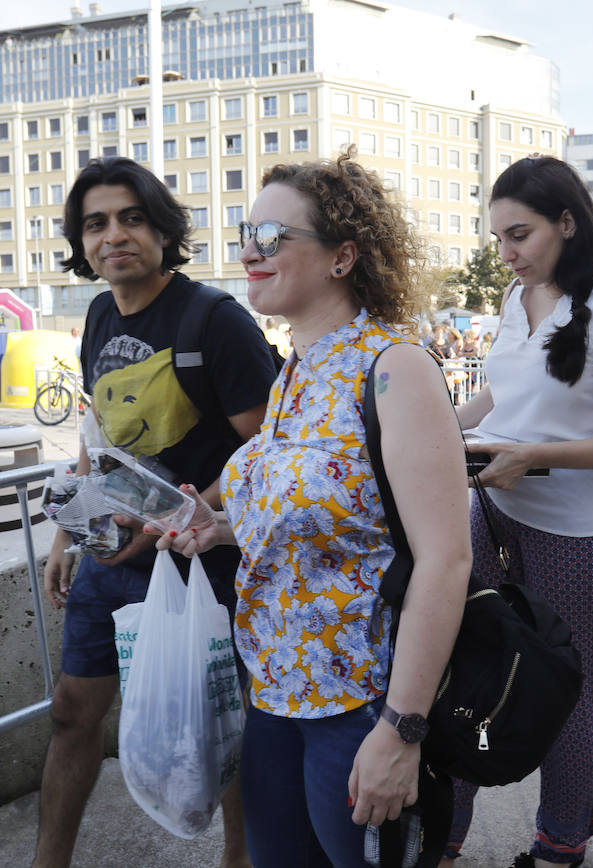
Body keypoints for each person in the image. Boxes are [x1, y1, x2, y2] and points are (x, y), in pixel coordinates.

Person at [157, 150, 472, 867]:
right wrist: (221, 530)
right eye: (246, 233)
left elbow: (446, 558)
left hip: (359, 708)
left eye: (271, 238)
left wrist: (401, 729)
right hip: (274, 693)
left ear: (342, 257)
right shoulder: (295, 368)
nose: (248, 252)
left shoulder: (395, 368)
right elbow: (329, 520)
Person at [33, 157, 278, 868]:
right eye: (96, 223)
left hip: (207, 567)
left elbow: (268, 455)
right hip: (110, 559)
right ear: (82, 243)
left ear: (163, 230)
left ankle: (239, 860)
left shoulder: (217, 320)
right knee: (72, 714)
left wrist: (188, 517)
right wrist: (65, 534)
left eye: (132, 218)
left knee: (221, 728)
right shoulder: (100, 313)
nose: (115, 235)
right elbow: (98, 436)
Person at [443, 156, 593, 868]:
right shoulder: (515, 296)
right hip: (495, 512)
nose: (507, 254)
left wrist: (534, 456)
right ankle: (443, 829)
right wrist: (440, 430)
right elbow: (500, 399)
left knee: (567, 700)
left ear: (567, 223)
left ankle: (561, 842)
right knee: (467, 676)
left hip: (583, 536)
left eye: (520, 235)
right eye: (499, 239)